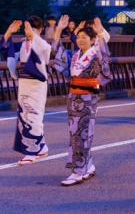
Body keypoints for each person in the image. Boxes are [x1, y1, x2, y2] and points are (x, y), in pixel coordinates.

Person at [53, 15, 111, 186]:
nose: (80, 40)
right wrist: (58, 30)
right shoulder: (76, 55)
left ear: (92, 40)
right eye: (78, 37)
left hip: (88, 98)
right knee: (75, 133)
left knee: (82, 134)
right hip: (73, 98)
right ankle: (88, 165)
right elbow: (58, 54)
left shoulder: (96, 53)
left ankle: (78, 171)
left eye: (84, 37)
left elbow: (105, 60)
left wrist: (100, 33)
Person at [0, 17, 51, 165]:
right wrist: (9, 32)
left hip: (37, 84)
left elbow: (45, 57)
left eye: (35, 28)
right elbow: (6, 50)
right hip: (24, 83)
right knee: (24, 115)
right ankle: (41, 148)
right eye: (29, 28)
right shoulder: (22, 45)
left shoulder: (43, 45)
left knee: (33, 115)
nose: (30, 31)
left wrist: (33, 36)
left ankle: (32, 151)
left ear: (40, 30)